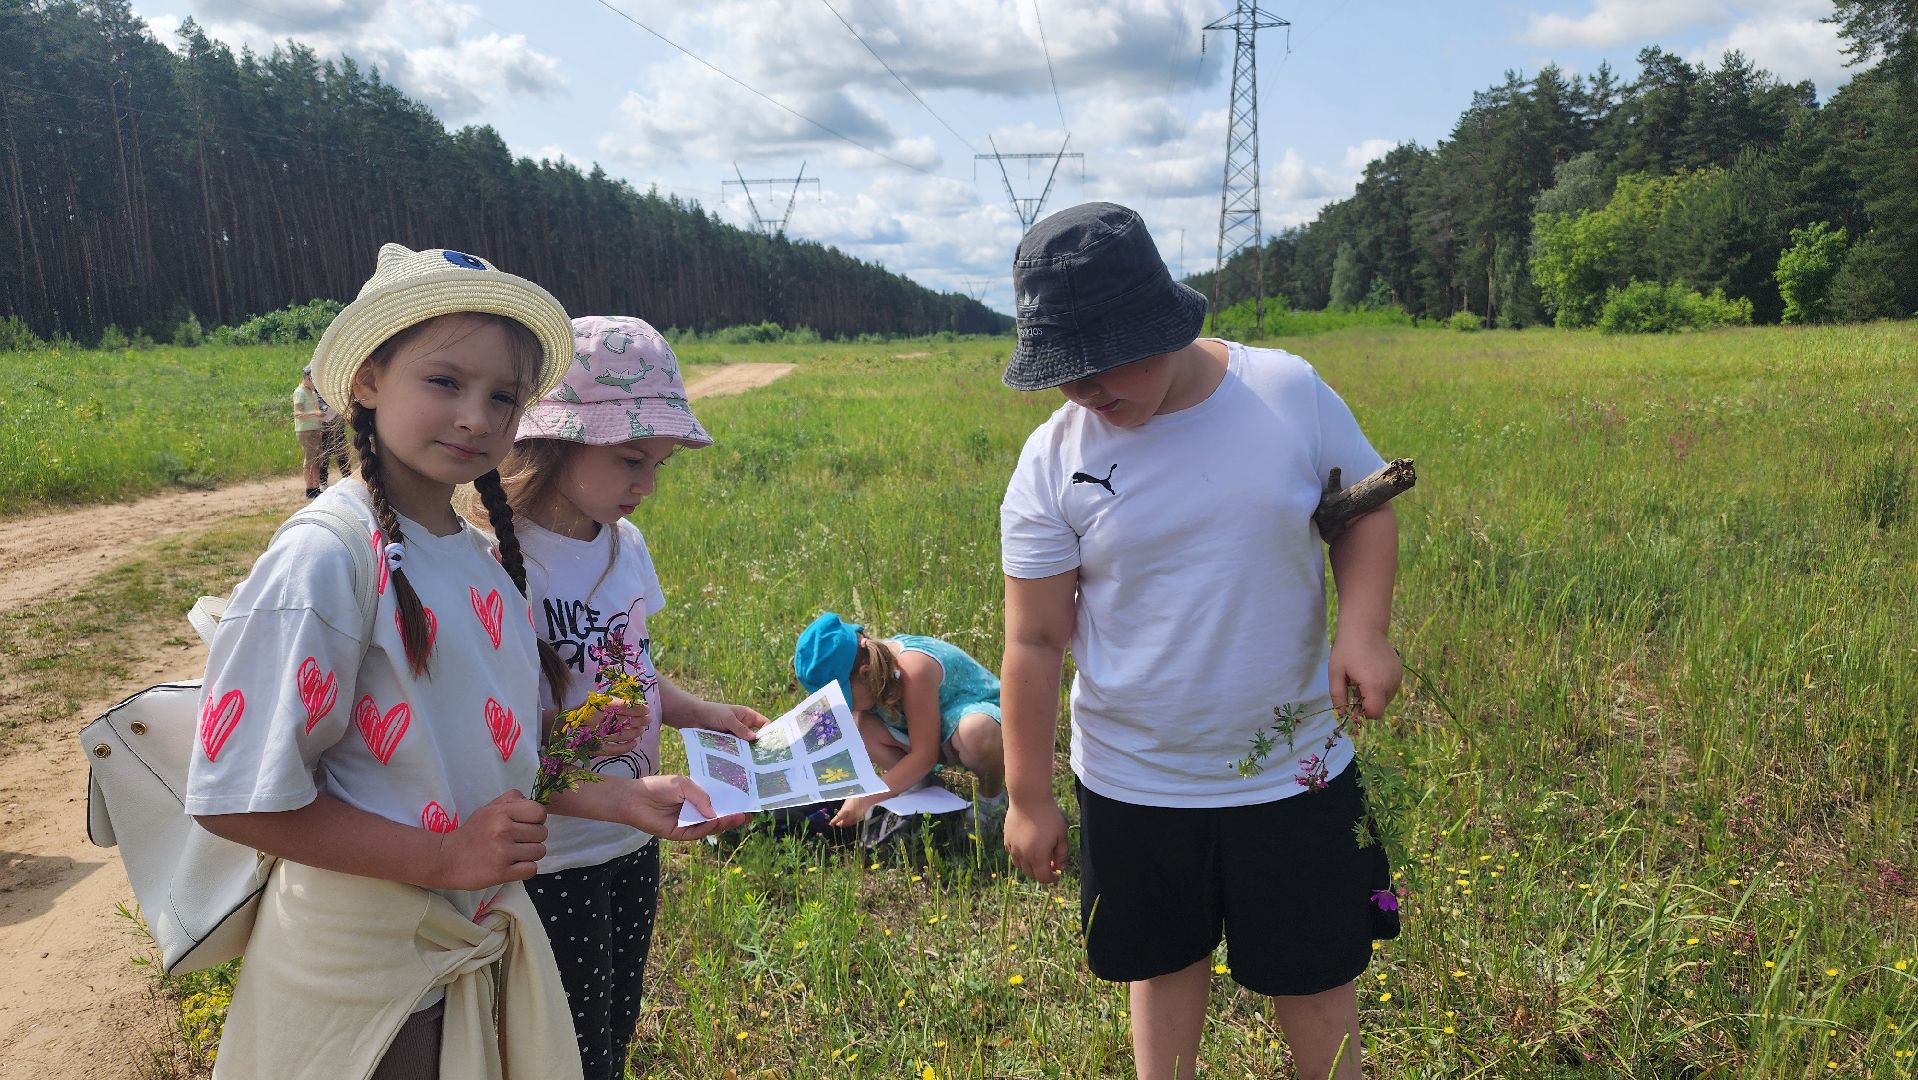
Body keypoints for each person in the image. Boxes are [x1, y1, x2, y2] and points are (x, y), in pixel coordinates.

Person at [185, 245, 745, 1080]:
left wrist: (627, 791)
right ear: (367, 380)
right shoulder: (328, 558)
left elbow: (503, 752)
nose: (476, 417)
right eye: (445, 382)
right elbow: (235, 799)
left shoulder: (481, 558)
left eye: (503, 396)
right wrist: (444, 860)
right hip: (362, 980)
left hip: (460, 950)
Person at [996, 203, 1402, 1080]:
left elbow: (1364, 513)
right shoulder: (1051, 460)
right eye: (1065, 372)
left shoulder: (1285, 393)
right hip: (1135, 780)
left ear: (1169, 323)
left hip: (1294, 766)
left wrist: (1363, 631)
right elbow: (1031, 640)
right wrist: (1028, 795)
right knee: (1161, 960)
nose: (1088, 389)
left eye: (1108, 362)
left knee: (1317, 969)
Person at [500, 314, 769, 1080]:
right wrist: (615, 796)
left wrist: (701, 712)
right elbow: (502, 746)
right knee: (563, 1044)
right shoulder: (501, 561)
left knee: (615, 1022)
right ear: (556, 440)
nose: (646, 485)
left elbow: (631, 674)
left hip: (633, 838)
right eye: (629, 459)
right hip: (553, 857)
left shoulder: (625, 547)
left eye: (659, 464)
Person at [791, 612, 1006, 829]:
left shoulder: (913, 669)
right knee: (859, 726)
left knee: (977, 732)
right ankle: (922, 787)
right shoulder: (873, 679)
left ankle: (992, 798)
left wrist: (866, 799)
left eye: (847, 700)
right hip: (930, 733)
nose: (848, 708)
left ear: (866, 674)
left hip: (974, 723)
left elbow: (925, 756)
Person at [293, 364, 326, 497]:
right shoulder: (300, 392)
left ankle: (316, 487)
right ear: (308, 378)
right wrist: (315, 414)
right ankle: (309, 488)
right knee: (310, 459)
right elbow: (297, 413)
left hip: (315, 428)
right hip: (305, 430)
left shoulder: (311, 392)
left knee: (317, 459)